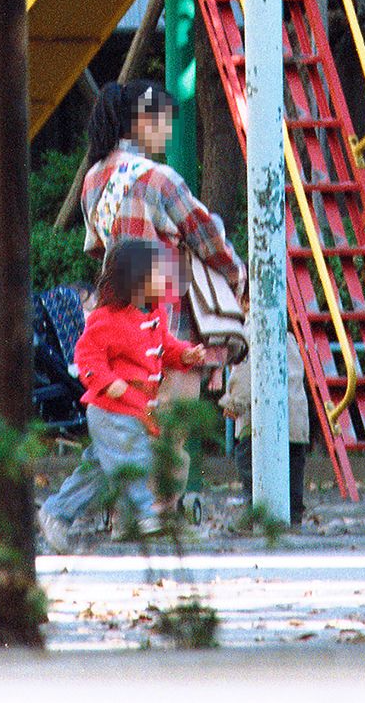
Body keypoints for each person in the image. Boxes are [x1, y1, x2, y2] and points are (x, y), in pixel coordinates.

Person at [38, 239, 207, 553]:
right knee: (136, 457)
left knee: (97, 471)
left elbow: (164, 349)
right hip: (110, 408)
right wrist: (105, 381)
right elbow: (85, 356)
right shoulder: (106, 319)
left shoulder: (152, 315)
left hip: (135, 408)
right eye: (156, 275)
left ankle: (55, 514)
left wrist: (185, 355)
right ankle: (145, 515)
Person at [80, 80, 245, 338]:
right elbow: (208, 239)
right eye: (165, 121)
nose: (169, 132)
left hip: (117, 319)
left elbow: (98, 247)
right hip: (168, 319)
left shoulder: (92, 179)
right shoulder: (159, 178)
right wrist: (239, 276)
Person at [218, 301, 309, 526]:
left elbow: (245, 375)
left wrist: (234, 403)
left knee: (249, 462)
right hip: (295, 422)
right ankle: (293, 512)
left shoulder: (250, 333)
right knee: (293, 470)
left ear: (246, 302)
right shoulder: (289, 337)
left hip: (258, 423)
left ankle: (256, 512)